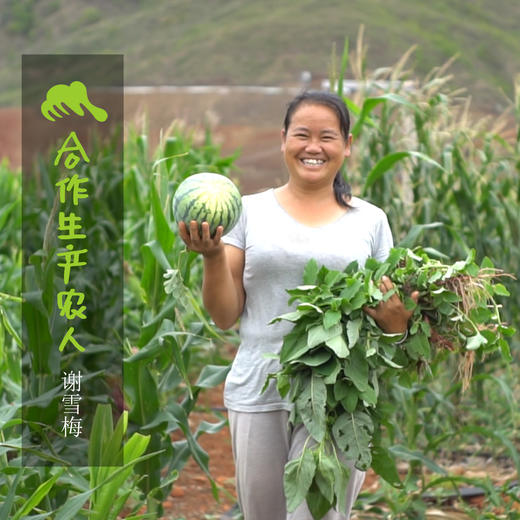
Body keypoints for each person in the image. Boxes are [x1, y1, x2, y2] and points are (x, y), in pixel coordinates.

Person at [178, 90, 418, 520]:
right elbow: (224, 314)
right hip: (261, 383)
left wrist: (397, 323)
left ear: (347, 145)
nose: (313, 147)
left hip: (339, 391)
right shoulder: (246, 212)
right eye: (302, 134)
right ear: (283, 139)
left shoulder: (370, 220)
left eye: (327, 136)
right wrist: (212, 256)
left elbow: (390, 318)